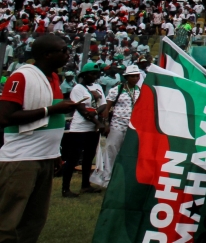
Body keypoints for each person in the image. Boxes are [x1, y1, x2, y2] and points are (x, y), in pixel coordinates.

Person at [0, 34, 84, 243]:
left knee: (35, 218)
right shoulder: (22, 77)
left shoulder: (54, 78)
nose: (68, 54)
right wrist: (51, 109)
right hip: (22, 159)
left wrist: (55, 153)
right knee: (8, 217)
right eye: (63, 50)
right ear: (47, 54)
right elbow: (5, 117)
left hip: (45, 157)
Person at [61, 61, 107, 197]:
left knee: (89, 156)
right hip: (80, 128)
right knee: (73, 157)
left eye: (96, 74)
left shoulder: (98, 87)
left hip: (92, 128)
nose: (95, 77)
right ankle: (65, 188)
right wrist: (96, 121)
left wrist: (95, 112)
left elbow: (103, 104)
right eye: (92, 74)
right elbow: (81, 109)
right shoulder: (77, 89)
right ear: (85, 75)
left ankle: (85, 185)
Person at [93, 64, 141, 188]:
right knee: (111, 150)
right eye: (132, 76)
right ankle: (107, 178)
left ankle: (123, 178)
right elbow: (106, 109)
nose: (135, 78)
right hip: (117, 124)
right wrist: (106, 124)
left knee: (129, 152)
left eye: (137, 76)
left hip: (132, 126)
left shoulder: (140, 91)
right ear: (126, 77)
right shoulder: (117, 90)